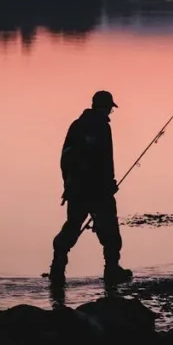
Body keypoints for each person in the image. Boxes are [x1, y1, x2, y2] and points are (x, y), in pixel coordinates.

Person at [49, 90, 133, 286]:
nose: (110, 113)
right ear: (105, 108)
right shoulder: (103, 128)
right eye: (110, 109)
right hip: (98, 191)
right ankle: (112, 271)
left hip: (76, 190)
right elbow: (105, 160)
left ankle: (57, 269)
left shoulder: (76, 126)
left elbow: (65, 159)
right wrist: (110, 184)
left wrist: (68, 184)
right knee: (110, 231)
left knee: (72, 226)